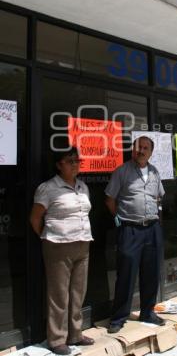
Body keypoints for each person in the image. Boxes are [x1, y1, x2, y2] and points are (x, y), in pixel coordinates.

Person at [30, 146, 95, 355]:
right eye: (70, 161)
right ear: (59, 165)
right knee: (58, 295)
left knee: (78, 292)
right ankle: (57, 339)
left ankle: (75, 333)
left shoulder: (83, 187)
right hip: (58, 245)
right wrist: (48, 236)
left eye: (77, 161)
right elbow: (35, 218)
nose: (75, 164)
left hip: (83, 243)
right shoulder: (48, 188)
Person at [105, 136, 165, 333]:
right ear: (133, 149)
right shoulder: (122, 171)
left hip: (152, 228)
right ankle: (119, 317)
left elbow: (158, 197)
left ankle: (147, 312)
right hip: (130, 229)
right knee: (126, 273)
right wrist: (119, 220)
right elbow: (110, 200)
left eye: (146, 148)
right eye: (139, 147)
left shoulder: (155, 171)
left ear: (151, 152)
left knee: (151, 272)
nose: (142, 151)